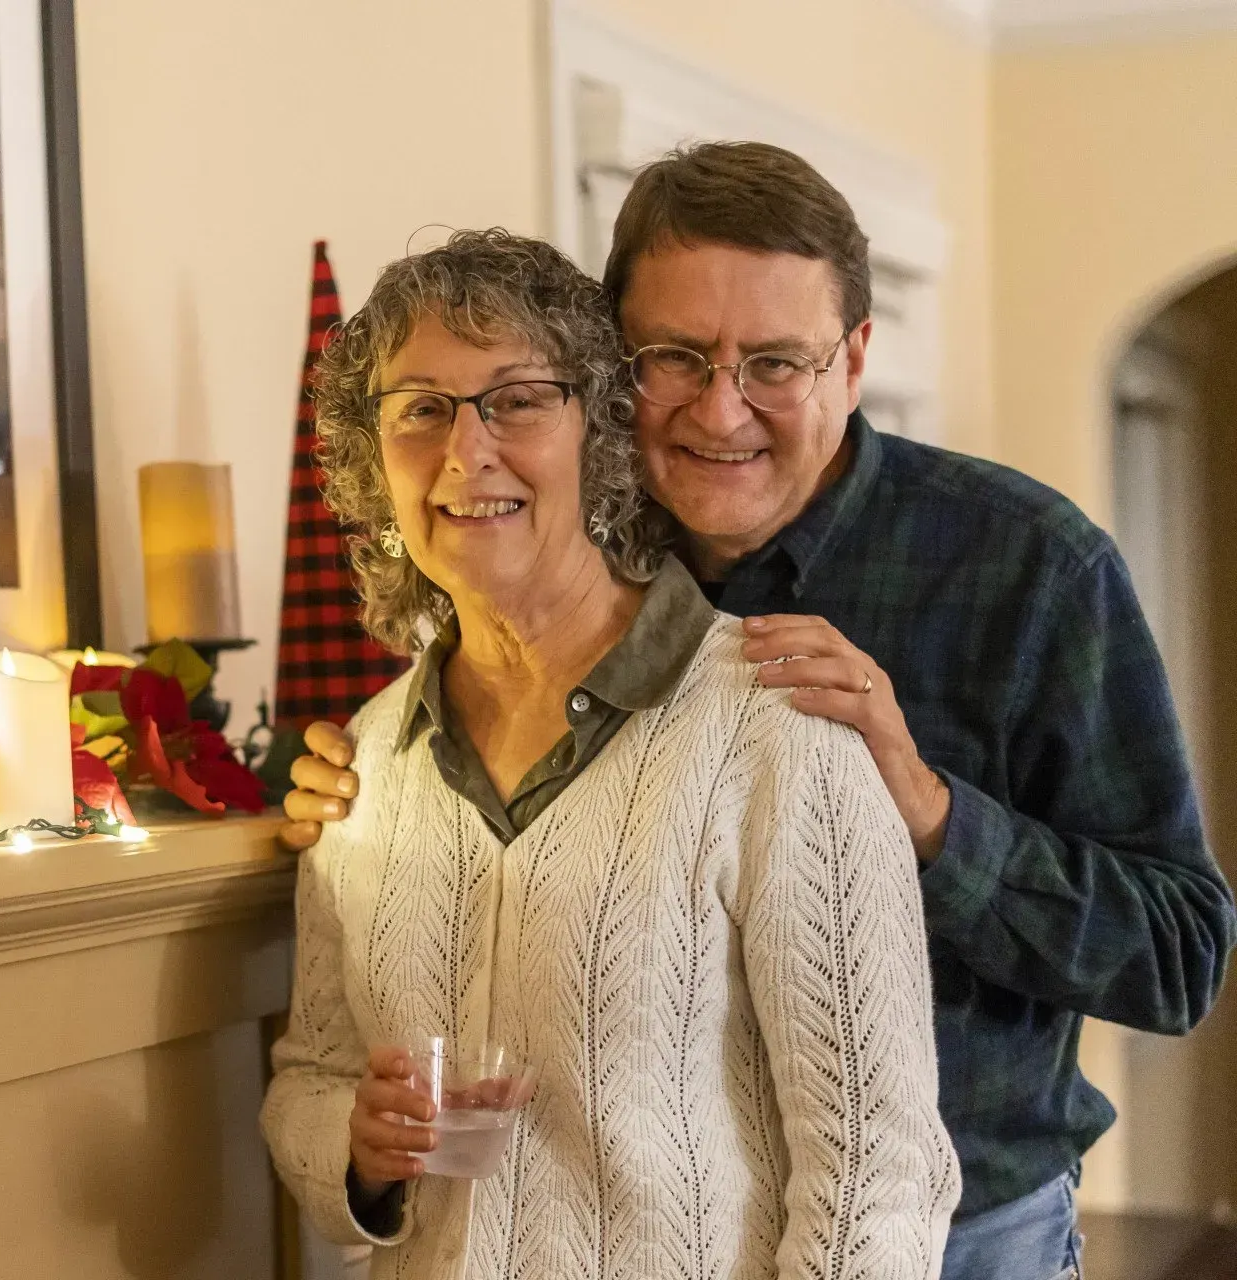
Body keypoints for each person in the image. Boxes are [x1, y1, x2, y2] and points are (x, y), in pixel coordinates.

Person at [281, 143, 1237, 1280]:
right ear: (611, 366)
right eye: (675, 357)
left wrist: (930, 812)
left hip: (972, 1223)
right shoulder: (572, 537)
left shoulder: (1029, 564)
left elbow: (1178, 955)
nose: (720, 409)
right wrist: (357, 786)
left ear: (854, 360)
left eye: (775, 362)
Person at [259, 228, 959, 1279]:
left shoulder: (778, 725)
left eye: (517, 399)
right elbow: (310, 1076)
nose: (467, 451)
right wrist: (360, 1150)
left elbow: (878, 1167)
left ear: (600, 432)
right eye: (422, 409)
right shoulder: (364, 766)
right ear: (376, 462)